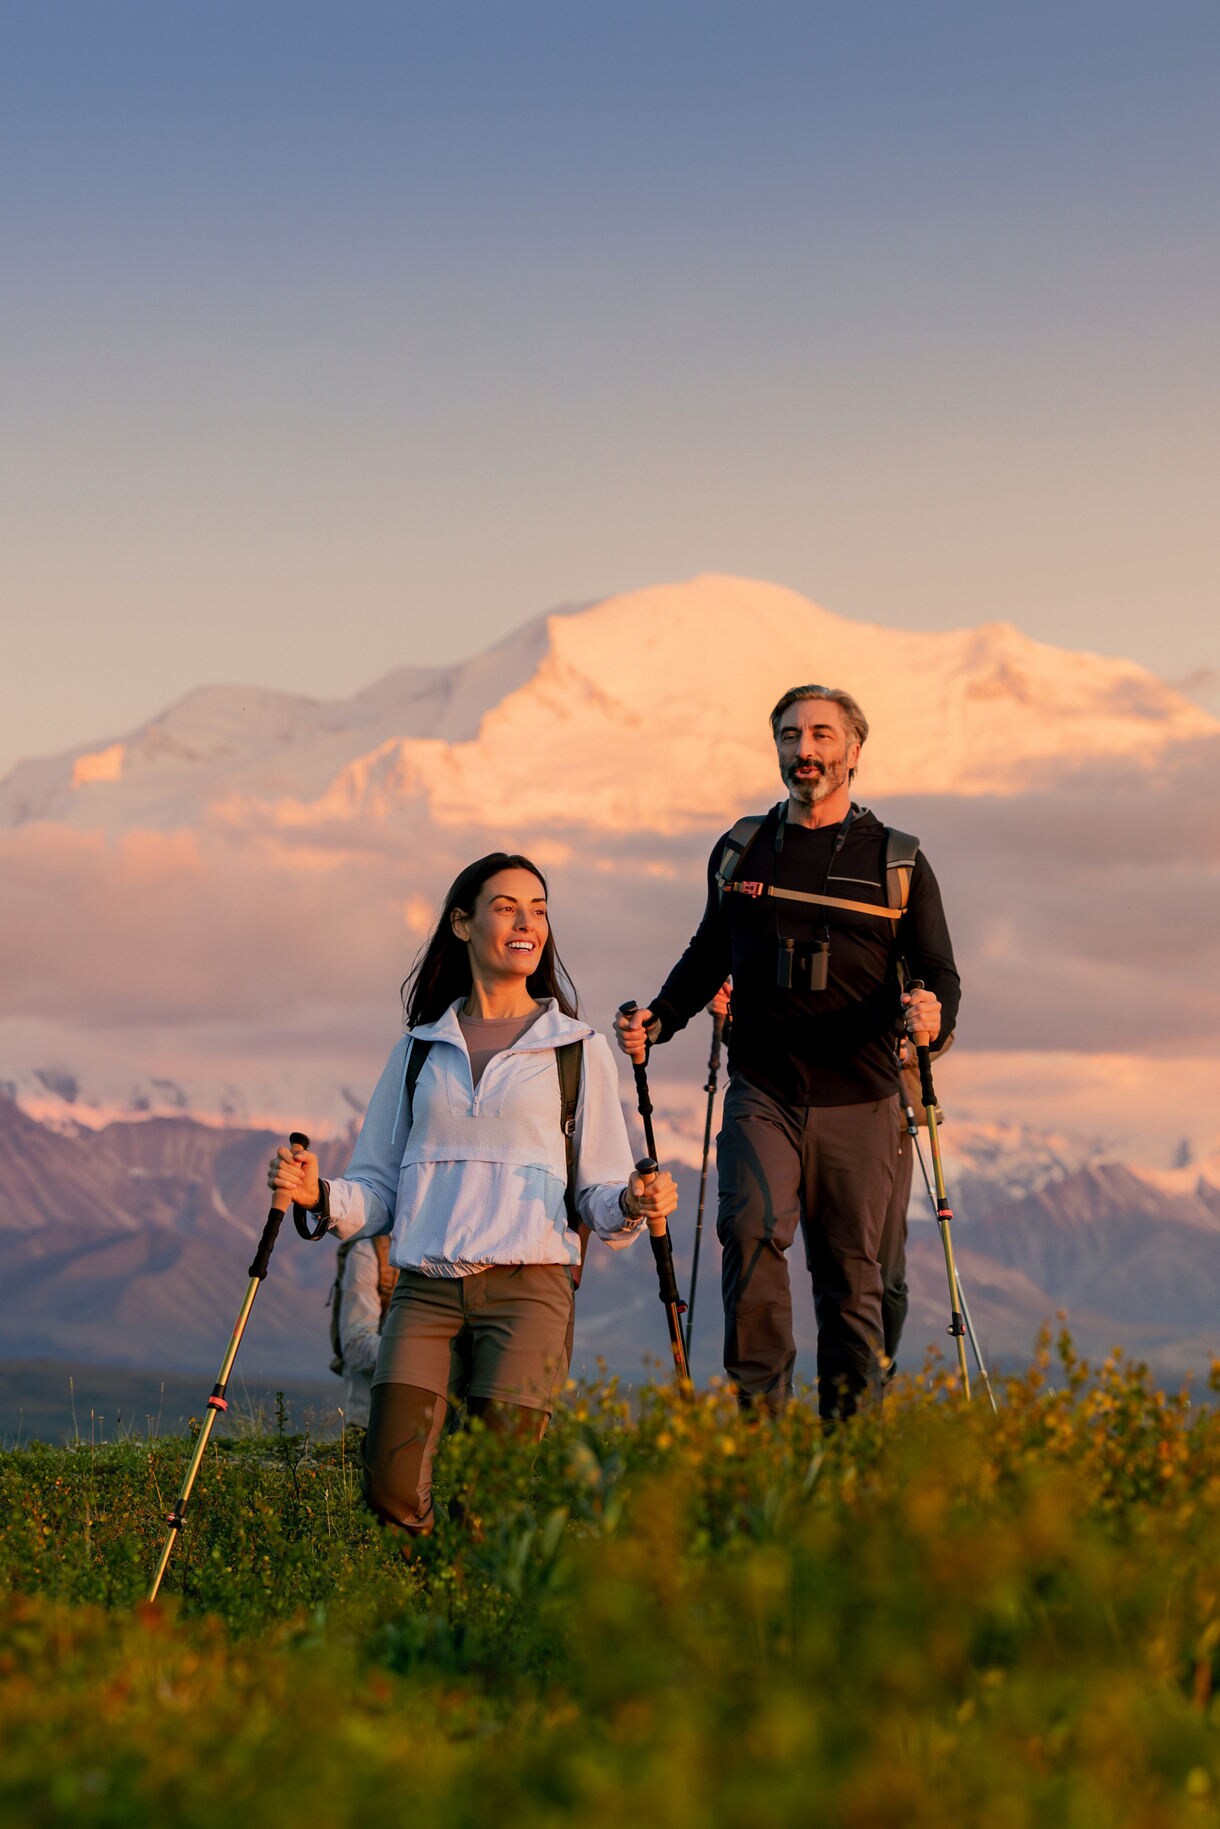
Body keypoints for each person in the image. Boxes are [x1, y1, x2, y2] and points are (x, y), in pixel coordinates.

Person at [269, 852, 676, 1545]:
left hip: (530, 1292)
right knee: (392, 1484)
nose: (528, 923)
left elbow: (598, 1193)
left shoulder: (576, 1049)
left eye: (539, 909)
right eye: (507, 906)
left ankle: (475, 1628)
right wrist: (318, 1193)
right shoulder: (419, 1050)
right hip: (424, 1290)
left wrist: (635, 1202)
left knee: (495, 1497)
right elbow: (377, 1190)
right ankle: (434, 1604)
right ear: (462, 923)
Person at [615, 685, 960, 1420]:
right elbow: (711, 948)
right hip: (763, 1088)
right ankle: (761, 1437)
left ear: (854, 751)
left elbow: (941, 972)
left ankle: (848, 1450)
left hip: (864, 1096)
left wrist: (933, 1014)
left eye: (822, 735)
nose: (805, 749)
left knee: (853, 1278)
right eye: (790, 735)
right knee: (747, 1239)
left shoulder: (898, 861)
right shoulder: (743, 848)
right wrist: (663, 1015)